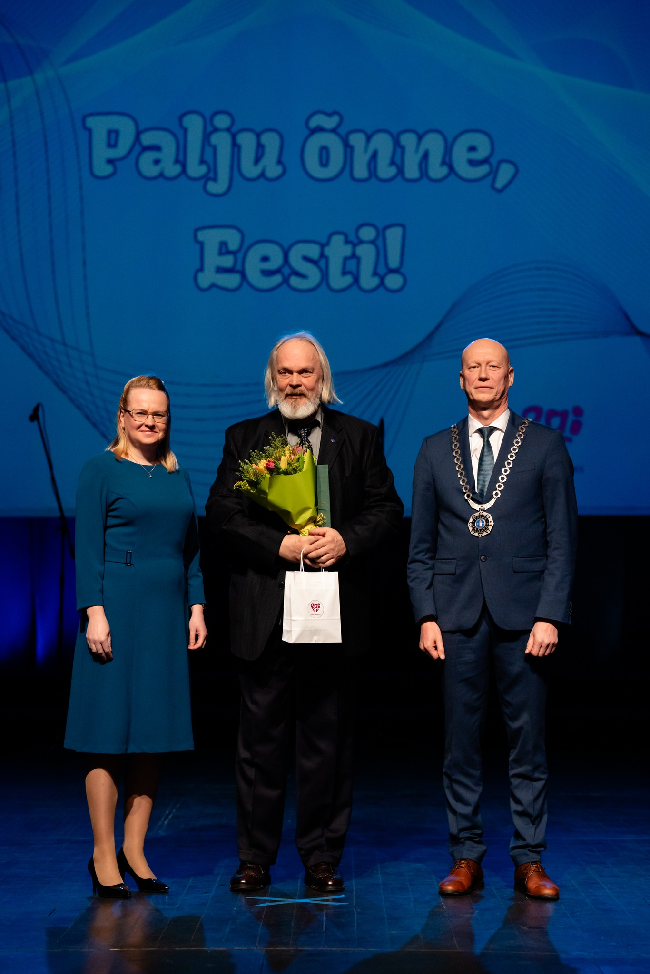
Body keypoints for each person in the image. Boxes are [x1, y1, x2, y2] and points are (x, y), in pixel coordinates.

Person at [206, 332, 403, 894]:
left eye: (305, 372)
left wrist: (346, 540)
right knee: (259, 746)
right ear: (273, 379)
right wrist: (280, 545)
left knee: (327, 744)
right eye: (286, 373)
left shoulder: (359, 437)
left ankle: (321, 857)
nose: (295, 382)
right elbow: (222, 512)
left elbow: (387, 509)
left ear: (323, 378)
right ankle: (254, 859)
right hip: (265, 612)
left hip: (333, 614)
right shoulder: (245, 438)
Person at [408, 339, 577, 899]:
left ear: (510, 377)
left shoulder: (546, 444)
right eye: (472, 368)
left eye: (492, 367)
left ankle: (529, 859)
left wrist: (550, 614)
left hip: (525, 616)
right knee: (460, 744)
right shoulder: (435, 449)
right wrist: (426, 614)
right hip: (455, 615)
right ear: (461, 379)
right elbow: (421, 546)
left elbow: (562, 540)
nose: (483, 375)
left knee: (527, 744)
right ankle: (465, 856)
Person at [65, 375, 207, 898]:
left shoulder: (178, 474)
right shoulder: (100, 469)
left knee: (152, 732)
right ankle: (104, 855)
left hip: (165, 614)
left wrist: (196, 606)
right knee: (106, 733)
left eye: (159, 414)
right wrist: (94, 612)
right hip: (116, 610)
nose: (150, 421)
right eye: (141, 412)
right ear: (123, 416)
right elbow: (87, 547)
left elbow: (190, 549)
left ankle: (135, 850)